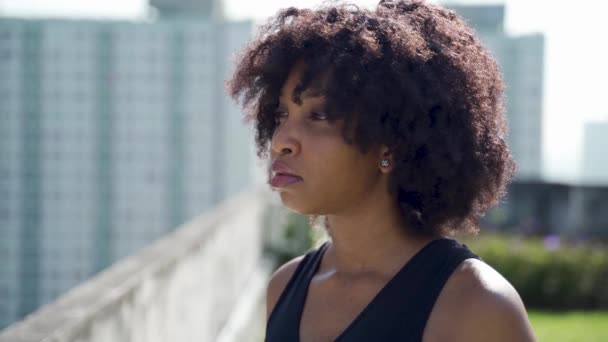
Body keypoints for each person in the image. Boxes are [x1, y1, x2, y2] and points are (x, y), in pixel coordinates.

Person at [226, 0, 536, 341]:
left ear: (391, 142)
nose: (281, 141)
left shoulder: (476, 306)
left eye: (320, 115)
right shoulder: (284, 287)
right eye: (282, 114)